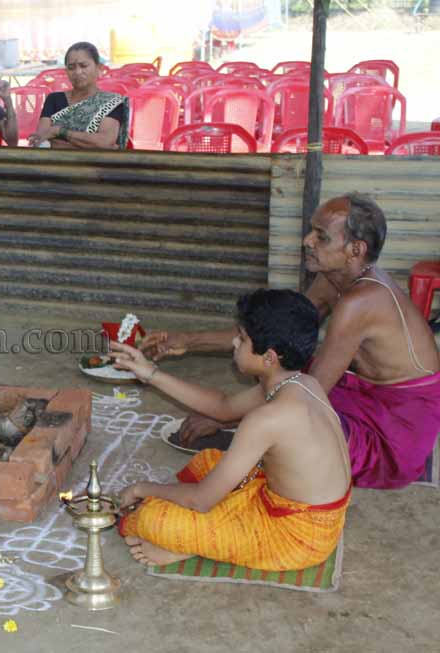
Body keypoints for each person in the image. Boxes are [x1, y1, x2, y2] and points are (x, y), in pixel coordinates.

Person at [140, 195, 440, 489]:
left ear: (355, 249)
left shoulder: (361, 302)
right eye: (311, 231)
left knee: (288, 398)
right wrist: (187, 340)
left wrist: (229, 420)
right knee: (277, 358)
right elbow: (274, 332)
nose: (307, 241)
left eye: (321, 236)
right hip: (364, 395)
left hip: (396, 429)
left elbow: (307, 396)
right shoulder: (331, 279)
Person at [114, 289, 351, 570]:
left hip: (296, 537)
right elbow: (223, 406)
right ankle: (205, 537)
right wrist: (150, 374)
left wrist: (140, 489)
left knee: (152, 518)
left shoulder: (267, 419)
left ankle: (192, 545)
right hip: (296, 508)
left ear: (269, 357)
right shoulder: (302, 383)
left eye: (242, 338)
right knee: (208, 461)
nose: (234, 343)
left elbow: (201, 501)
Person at [27, 42, 129, 150]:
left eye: (83, 66)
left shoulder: (110, 102)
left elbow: (104, 142)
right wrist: (90, 145)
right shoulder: (54, 99)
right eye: (71, 67)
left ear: (99, 68)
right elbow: (41, 141)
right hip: (57, 160)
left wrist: (59, 132)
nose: (78, 72)